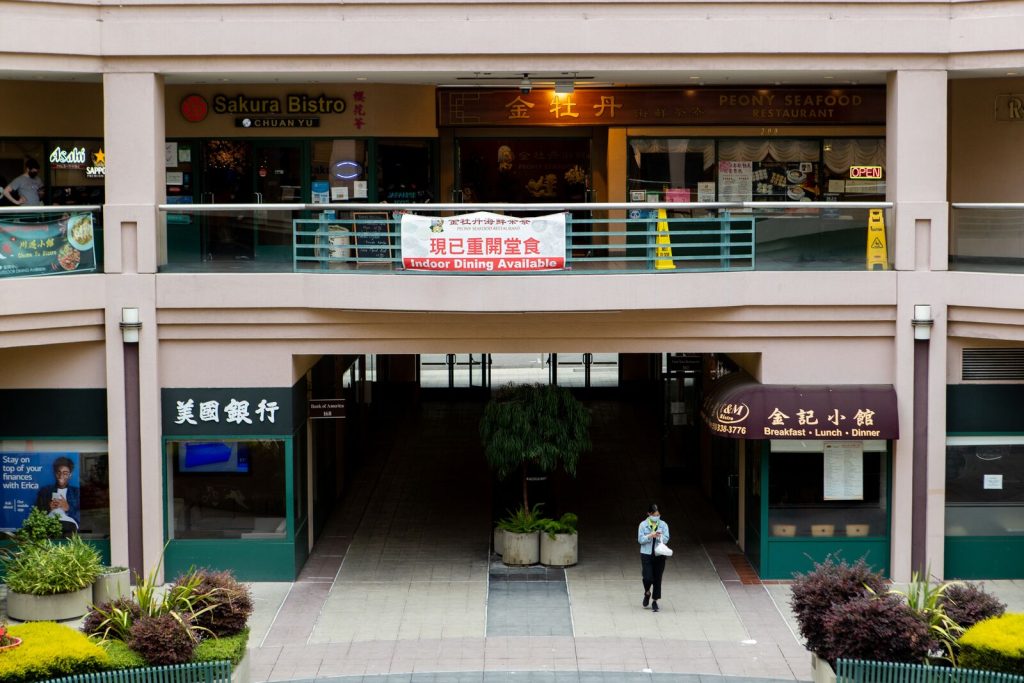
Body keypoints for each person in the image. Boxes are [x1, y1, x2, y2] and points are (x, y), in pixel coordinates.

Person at [35, 456, 80, 536]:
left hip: (69, 524)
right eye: (58, 472)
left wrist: (68, 508)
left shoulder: (76, 492)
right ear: (55, 473)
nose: (61, 476)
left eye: (65, 473)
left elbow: (82, 515)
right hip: (49, 522)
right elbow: (36, 513)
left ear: (70, 475)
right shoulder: (45, 491)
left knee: (67, 530)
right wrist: (48, 507)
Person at [638, 502, 670, 612]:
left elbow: (666, 539)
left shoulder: (663, 525)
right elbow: (640, 540)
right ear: (649, 514)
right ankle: (647, 592)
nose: (656, 517)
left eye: (658, 515)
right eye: (654, 515)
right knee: (647, 577)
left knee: (657, 578)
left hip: (659, 555)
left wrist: (659, 535)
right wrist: (650, 535)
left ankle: (655, 600)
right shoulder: (643, 525)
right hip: (646, 554)